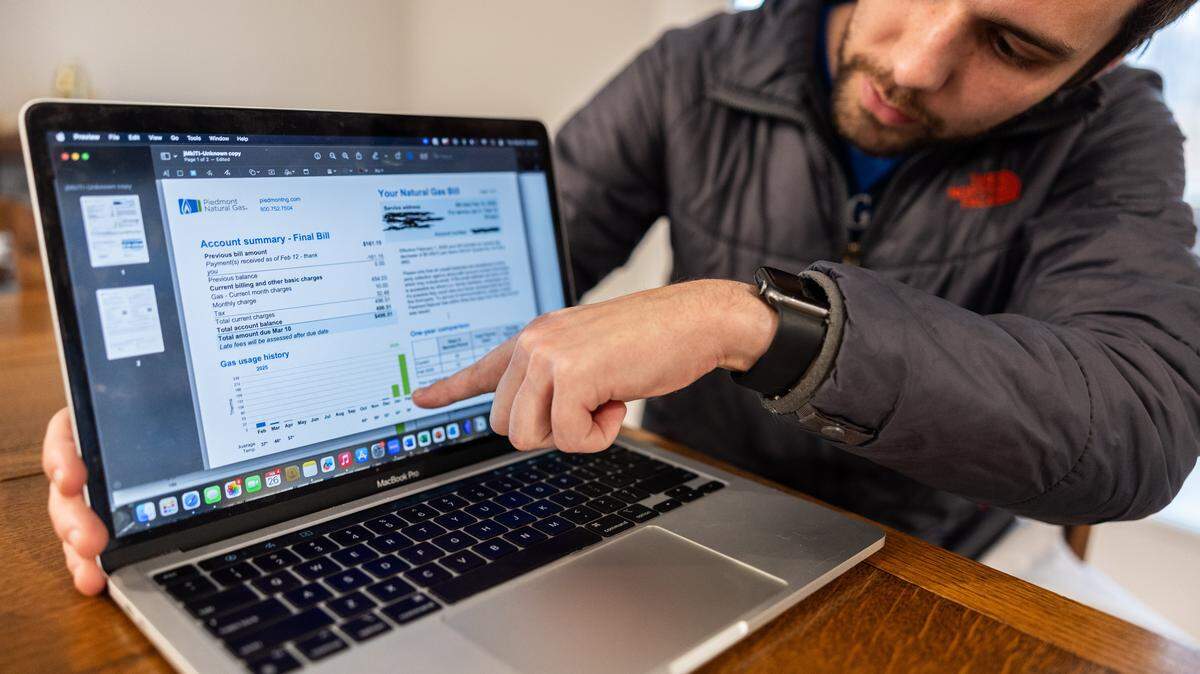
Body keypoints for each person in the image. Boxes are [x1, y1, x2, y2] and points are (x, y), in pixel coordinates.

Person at [46, 0, 1200, 594]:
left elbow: (1138, 424)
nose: (915, 62)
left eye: (1009, 42)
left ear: (1094, 67)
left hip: (946, 543)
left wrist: (749, 318)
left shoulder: (1119, 141)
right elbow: (496, 298)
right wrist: (165, 410)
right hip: (684, 499)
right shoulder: (694, 69)